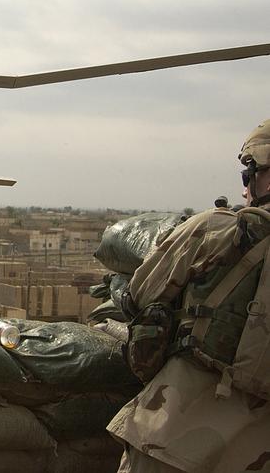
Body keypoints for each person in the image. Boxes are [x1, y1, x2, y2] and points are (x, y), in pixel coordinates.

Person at [107, 119, 270, 472]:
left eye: (248, 175)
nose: (245, 190)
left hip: (173, 437)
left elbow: (138, 294)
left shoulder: (219, 229)